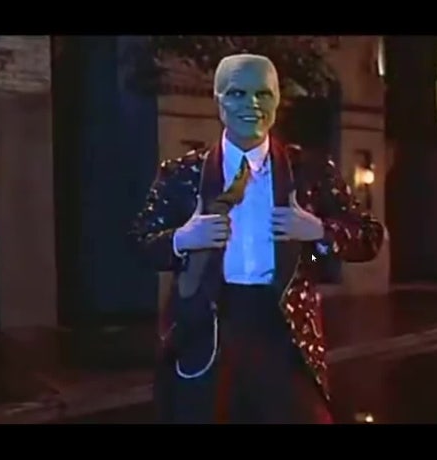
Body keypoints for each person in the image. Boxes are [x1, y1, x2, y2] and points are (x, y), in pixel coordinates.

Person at [128, 53, 384, 423]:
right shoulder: (185, 173)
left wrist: (319, 230)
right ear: (218, 100)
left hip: (282, 329)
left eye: (263, 94)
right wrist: (182, 238)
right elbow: (141, 243)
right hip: (209, 327)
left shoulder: (308, 170)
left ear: (278, 99)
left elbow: (369, 236)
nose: (251, 104)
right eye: (237, 93)